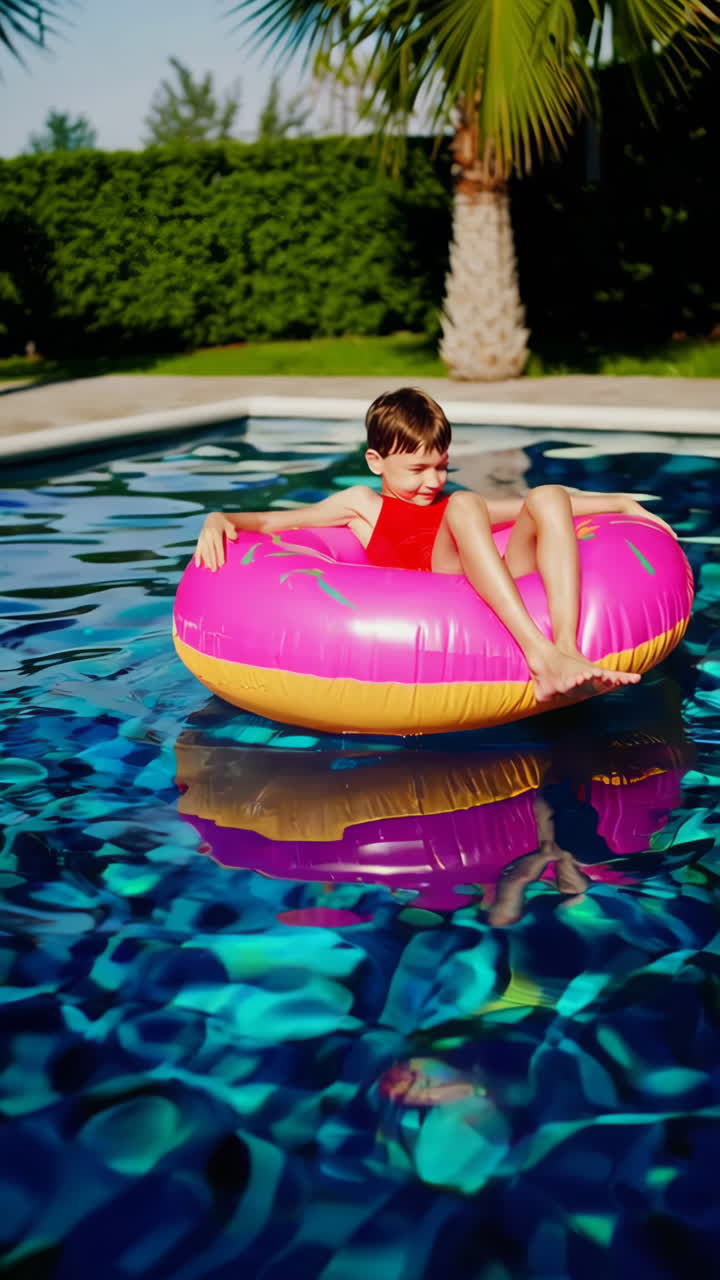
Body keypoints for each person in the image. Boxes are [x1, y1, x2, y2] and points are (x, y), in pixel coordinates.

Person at [193, 387, 676, 703]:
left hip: (489, 574)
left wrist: (624, 503)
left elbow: (546, 503)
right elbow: (273, 520)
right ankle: (538, 654)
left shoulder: (448, 500)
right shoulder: (362, 504)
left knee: (547, 495)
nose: (432, 481)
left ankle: (566, 650)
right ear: (376, 461)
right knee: (468, 506)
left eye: (441, 466)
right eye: (418, 470)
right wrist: (220, 517)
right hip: (439, 592)